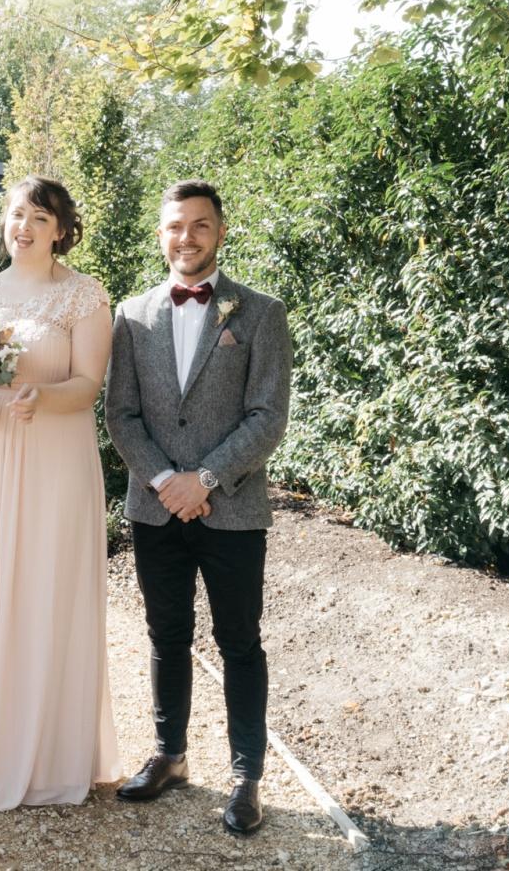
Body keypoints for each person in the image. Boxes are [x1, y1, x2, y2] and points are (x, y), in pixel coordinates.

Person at [105, 179, 292, 835]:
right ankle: (170, 755)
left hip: (232, 510)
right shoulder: (130, 314)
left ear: (219, 230)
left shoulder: (260, 313)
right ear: (161, 234)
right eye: (175, 226)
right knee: (166, 636)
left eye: (200, 225)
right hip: (156, 509)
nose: (187, 236)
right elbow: (120, 414)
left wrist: (204, 479)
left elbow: (268, 417)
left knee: (239, 640)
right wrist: (166, 481)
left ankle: (248, 777)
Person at [0, 176, 121, 810]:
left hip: (52, 460)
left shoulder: (84, 296)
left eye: (39, 218)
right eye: (17, 214)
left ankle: (49, 753)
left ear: (60, 230)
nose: (25, 226)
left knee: (45, 588)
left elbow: (88, 384)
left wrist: (41, 397)